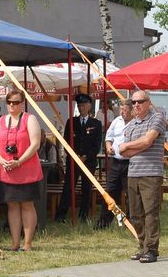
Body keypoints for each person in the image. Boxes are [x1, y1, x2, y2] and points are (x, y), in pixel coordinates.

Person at [118, 90, 166, 264]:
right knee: (136, 214)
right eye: (134, 102)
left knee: (151, 212)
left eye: (140, 101)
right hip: (133, 172)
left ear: (148, 102)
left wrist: (130, 145)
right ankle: (142, 246)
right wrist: (138, 145)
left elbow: (147, 141)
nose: (136, 105)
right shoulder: (130, 125)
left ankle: (152, 249)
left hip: (151, 173)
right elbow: (123, 153)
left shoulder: (157, 118)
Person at [0, 90, 43, 252]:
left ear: (22, 103)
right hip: (7, 170)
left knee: (27, 205)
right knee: (12, 205)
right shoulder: (1, 120)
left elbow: (35, 144)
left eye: (15, 102)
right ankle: (15, 243)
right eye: (9, 102)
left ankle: (27, 243)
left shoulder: (30, 119)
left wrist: (19, 161)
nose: (12, 105)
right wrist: (1, 160)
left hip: (26, 170)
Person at [55, 93, 102, 222]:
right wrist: (74, 156)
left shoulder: (96, 123)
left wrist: (86, 156)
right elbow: (66, 141)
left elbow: (97, 145)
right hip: (73, 161)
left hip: (89, 161)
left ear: (89, 106)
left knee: (86, 188)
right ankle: (61, 215)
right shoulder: (72, 122)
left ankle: (83, 215)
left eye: (83, 105)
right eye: (79, 105)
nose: (81, 108)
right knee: (68, 187)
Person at [96, 99, 133, 229]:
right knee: (111, 192)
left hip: (131, 163)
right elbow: (108, 138)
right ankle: (104, 222)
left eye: (125, 110)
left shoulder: (136, 123)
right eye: (121, 109)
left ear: (131, 110)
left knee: (131, 193)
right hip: (116, 162)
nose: (122, 112)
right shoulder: (117, 121)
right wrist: (108, 147)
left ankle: (131, 223)